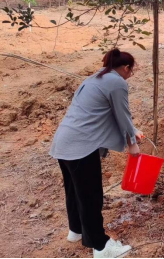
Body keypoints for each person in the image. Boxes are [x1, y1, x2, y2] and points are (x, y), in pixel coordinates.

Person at [50, 49, 143, 259]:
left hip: (64, 142)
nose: (131, 75)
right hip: (81, 146)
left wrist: (132, 131)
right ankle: (101, 247)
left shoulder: (94, 78)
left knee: (75, 191)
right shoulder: (117, 82)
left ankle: (76, 230)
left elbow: (99, 113)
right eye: (132, 71)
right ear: (126, 68)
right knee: (91, 196)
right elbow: (122, 114)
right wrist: (132, 144)